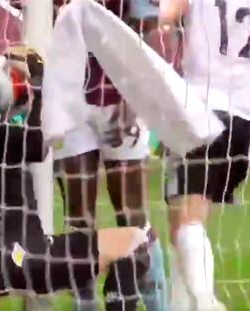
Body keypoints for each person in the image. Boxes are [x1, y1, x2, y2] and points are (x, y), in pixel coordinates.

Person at [0, 9, 149, 311]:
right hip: (13, 237)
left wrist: (18, 104)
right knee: (134, 242)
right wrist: (41, 84)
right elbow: (36, 144)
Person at [52, 1, 170, 310]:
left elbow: (146, 24)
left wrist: (133, 92)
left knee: (132, 214)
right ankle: (85, 305)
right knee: (78, 217)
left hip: (119, 98)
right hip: (68, 98)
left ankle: (158, 302)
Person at [160, 0, 250, 309]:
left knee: (187, 216)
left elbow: (165, 15)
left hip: (200, 107)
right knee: (185, 224)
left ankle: (205, 301)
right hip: (245, 118)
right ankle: (185, 304)